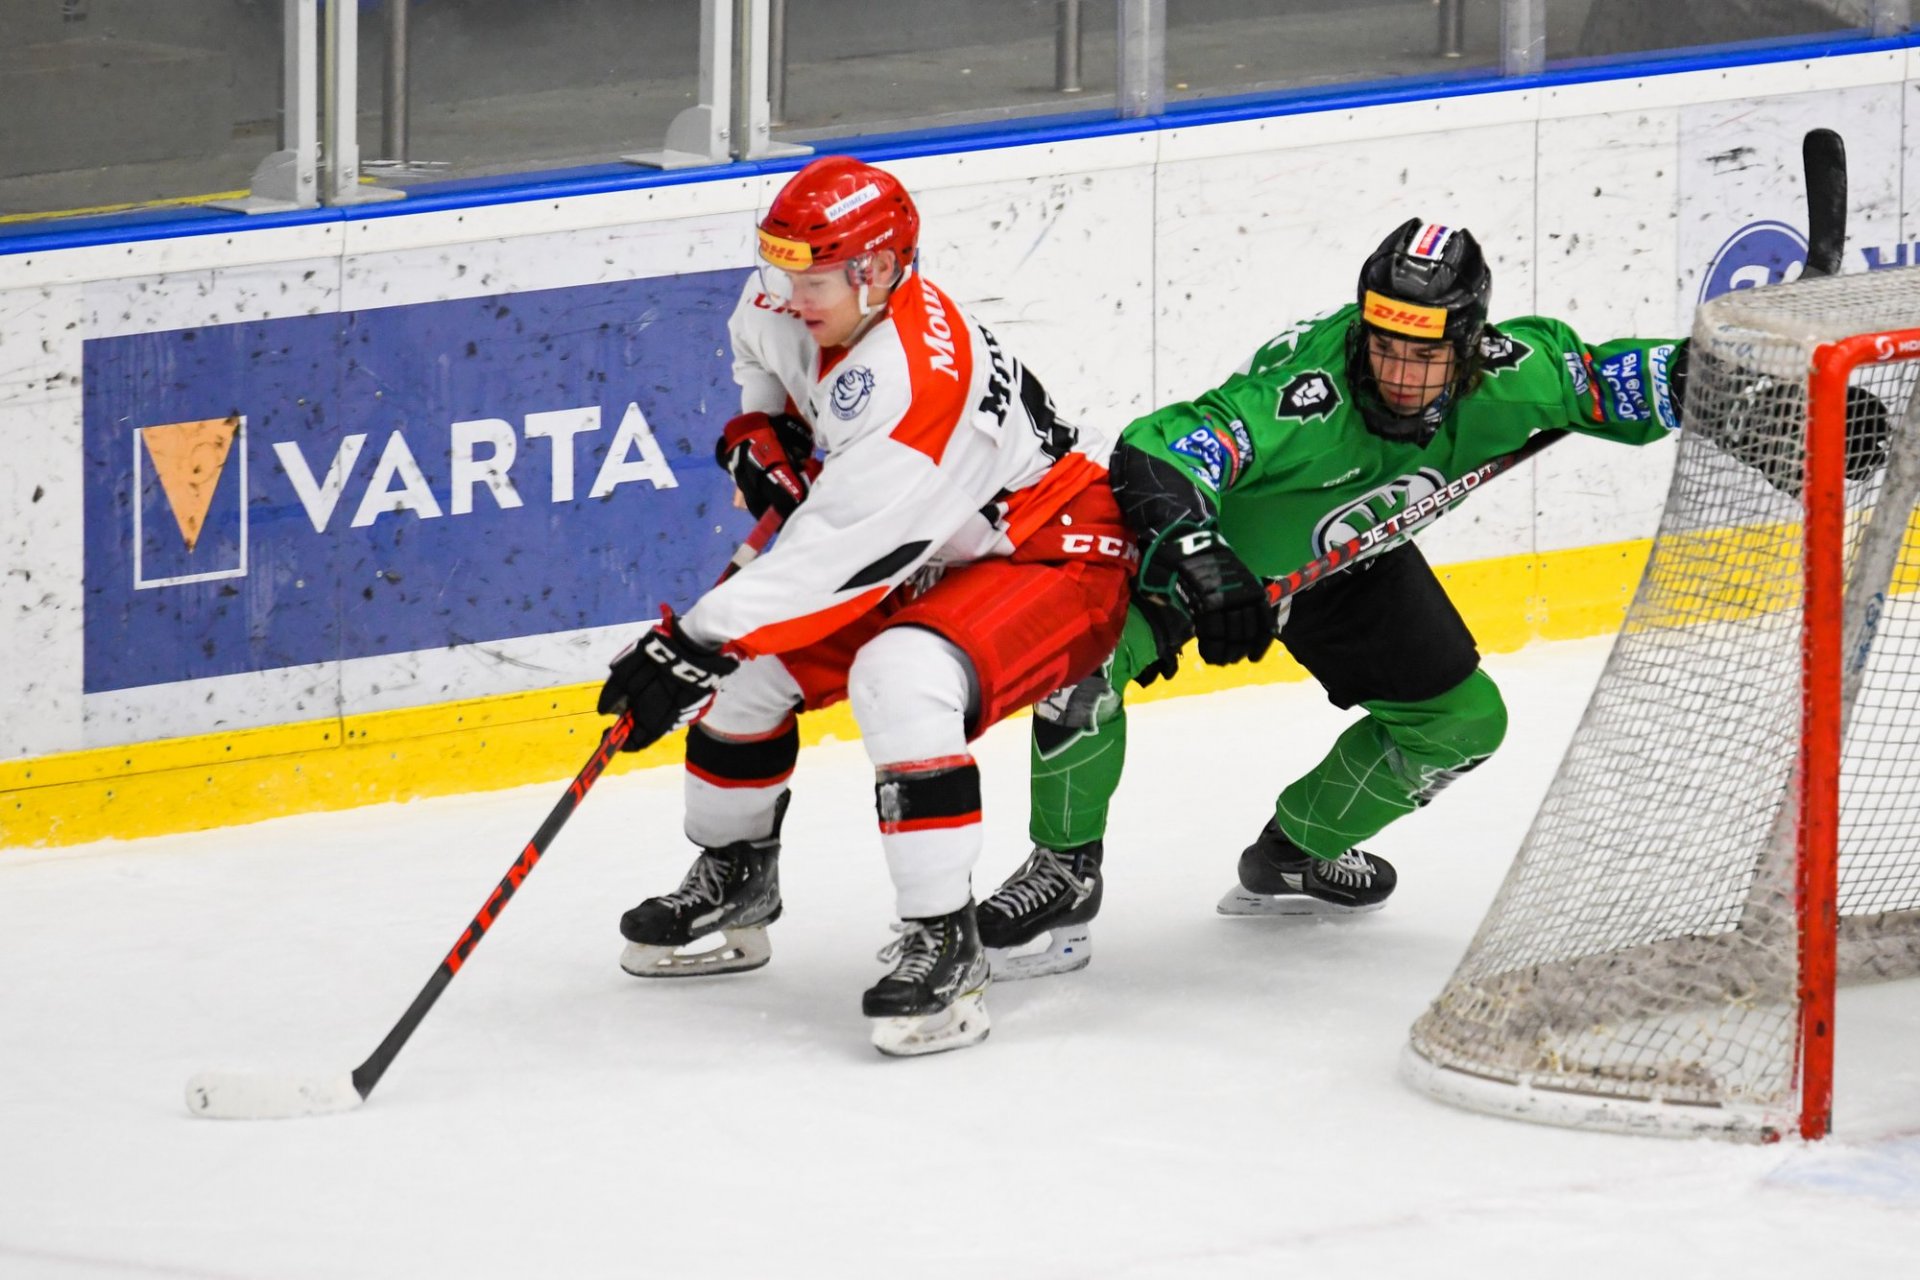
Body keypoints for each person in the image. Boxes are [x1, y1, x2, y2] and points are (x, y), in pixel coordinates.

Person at [976, 217, 1690, 977]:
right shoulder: (1304, 400)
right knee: (1083, 667)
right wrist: (1202, 560)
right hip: (1222, 552)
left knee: (1462, 724)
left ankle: (1295, 855)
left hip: (1346, 555)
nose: (1400, 374)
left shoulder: (1515, 375)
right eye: (1385, 347)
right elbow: (1157, 452)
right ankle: (1065, 870)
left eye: (1426, 356)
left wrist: (1751, 386)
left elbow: (1632, 379)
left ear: (1469, 347)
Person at [596, 156, 1133, 1054]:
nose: (788, 295)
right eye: (782, 270)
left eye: (812, 280)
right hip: (926, 543)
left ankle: (944, 939)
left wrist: (690, 640)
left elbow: (833, 564)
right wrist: (763, 427)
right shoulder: (795, 296)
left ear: (878, 270)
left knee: (899, 674)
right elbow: (761, 359)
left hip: (1048, 548)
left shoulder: (912, 382)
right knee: (746, 678)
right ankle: (737, 877)